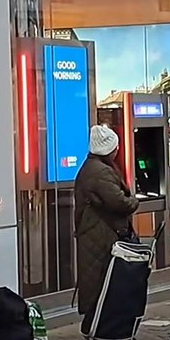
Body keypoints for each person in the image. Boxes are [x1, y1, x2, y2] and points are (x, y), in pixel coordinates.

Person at [73, 124, 139, 316]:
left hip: (95, 234)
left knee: (97, 283)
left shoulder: (91, 168)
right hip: (101, 236)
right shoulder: (100, 171)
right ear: (109, 149)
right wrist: (133, 201)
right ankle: (107, 331)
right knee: (104, 285)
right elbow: (119, 202)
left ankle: (100, 329)